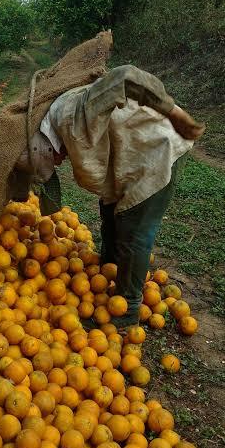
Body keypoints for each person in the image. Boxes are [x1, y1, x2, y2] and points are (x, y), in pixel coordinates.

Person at [16, 65, 205, 330]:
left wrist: (173, 112)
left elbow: (126, 76)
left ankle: (129, 307)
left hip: (157, 149)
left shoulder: (71, 118)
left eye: (52, 163)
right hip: (132, 153)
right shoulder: (57, 125)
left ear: (43, 149)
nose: (58, 164)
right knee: (110, 212)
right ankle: (111, 271)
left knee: (134, 229)